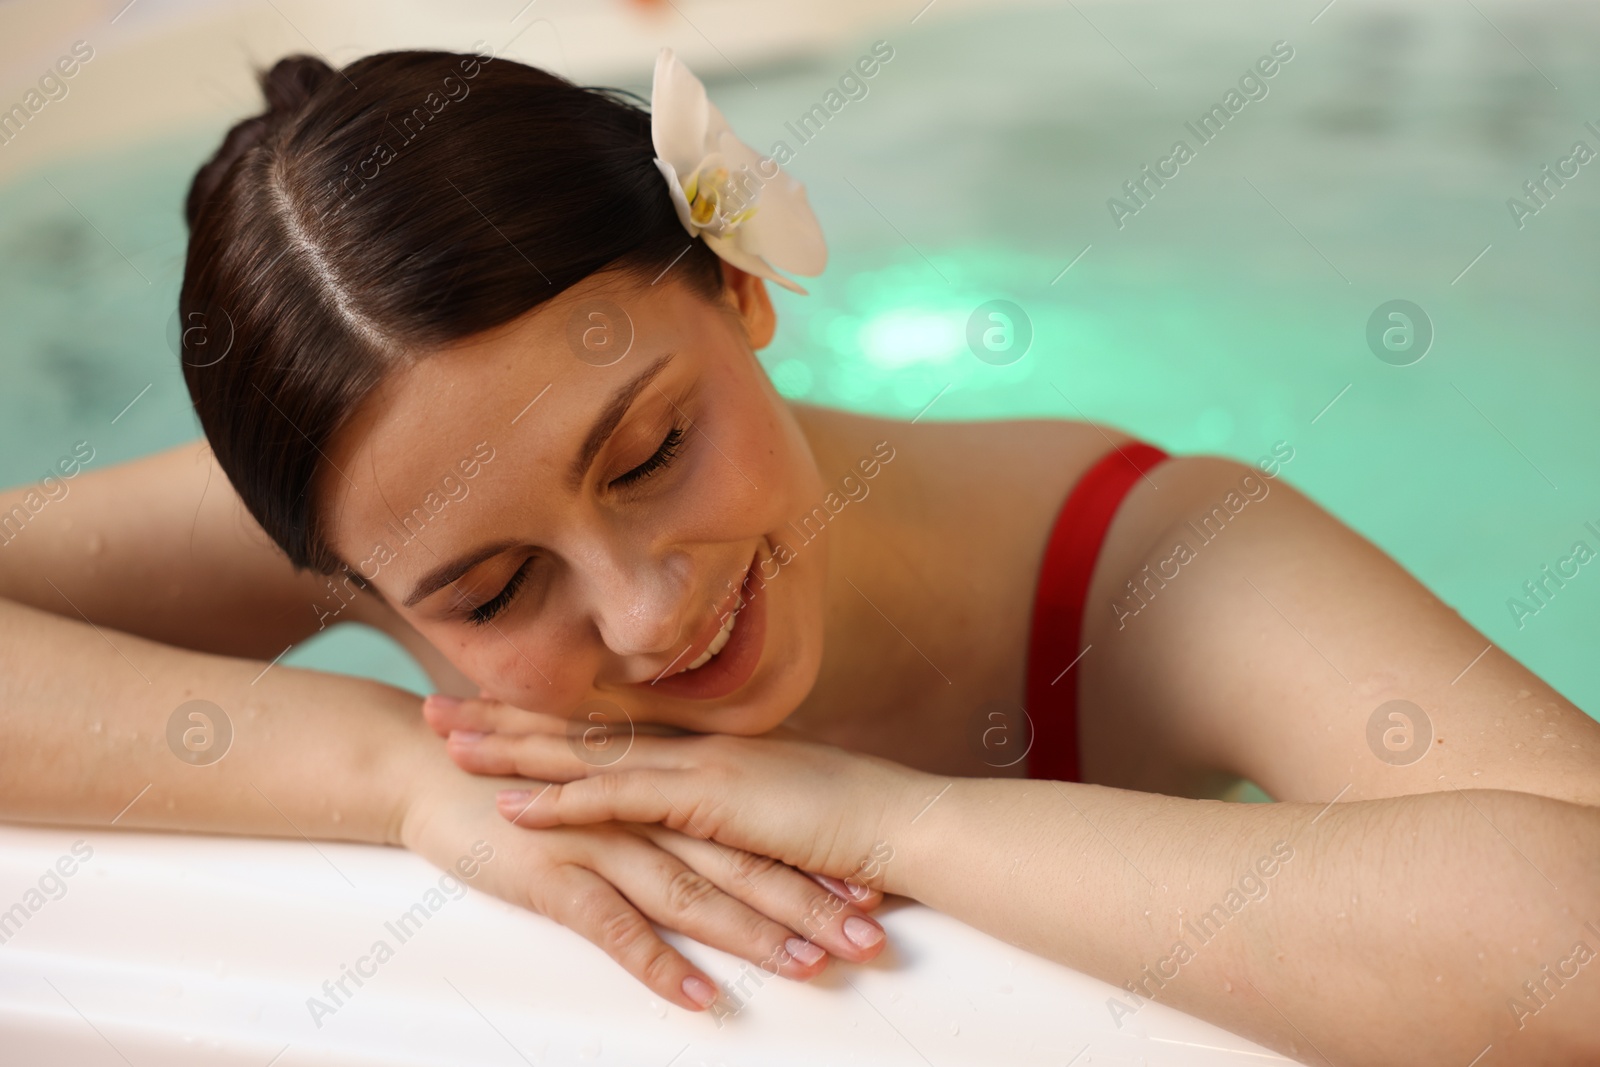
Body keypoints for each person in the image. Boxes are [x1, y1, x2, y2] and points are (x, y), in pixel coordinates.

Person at [1, 44, 1595, 1065]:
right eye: (491, 595)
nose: (645, 606)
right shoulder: (393, 502)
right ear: (347, 587)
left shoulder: (1147, 564)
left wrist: (899, 821)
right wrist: (393, 774)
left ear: (742, 289)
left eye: (650, 452)